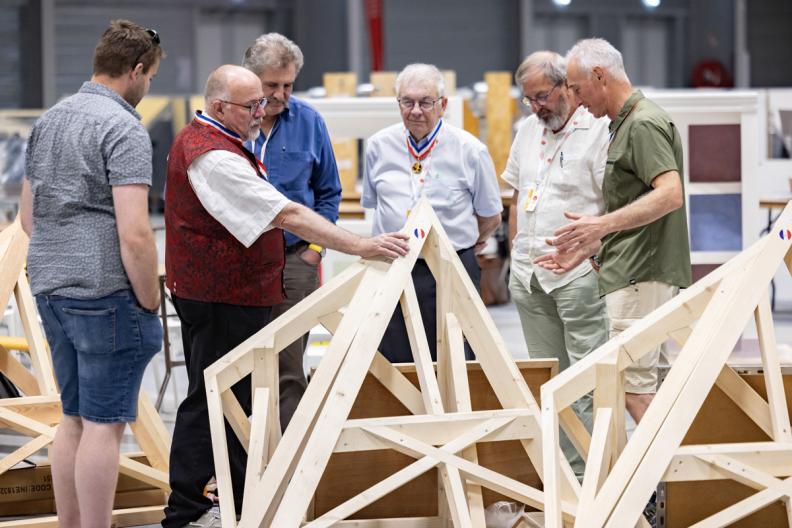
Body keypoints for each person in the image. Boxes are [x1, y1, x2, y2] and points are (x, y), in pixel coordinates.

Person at [162, 64, 409, 528]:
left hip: (232, 292)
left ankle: (237, 502)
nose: (263, 110)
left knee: (234, 400)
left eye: (265, 100)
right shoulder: (212, 156)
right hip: (220, 296)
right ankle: (187, 510)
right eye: (252, 104)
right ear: (219, 107)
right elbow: (287, 213)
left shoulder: (222, 139)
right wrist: (360, 245)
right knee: (212, 401)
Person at [20, 20, 164, 528]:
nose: (149, 88)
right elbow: (135, 233)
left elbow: (27, 219)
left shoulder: (50, 120)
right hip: (105, 295)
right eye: (151, 78)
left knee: (74, 418)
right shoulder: (123, 128)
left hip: (51, 289)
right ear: (136, 70)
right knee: (106, 425)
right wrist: (149, 299)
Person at [535, 38, 692, 424]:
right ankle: (669, 463)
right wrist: (593, 243)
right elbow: (633, 204)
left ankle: (666, 462)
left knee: (635, 391)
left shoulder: (642, 124)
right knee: (648, 386)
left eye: (576, 89)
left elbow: (670, 193)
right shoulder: (624, 124)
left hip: (640, 276)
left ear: (599, 76)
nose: (575, 101)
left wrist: (600, 225)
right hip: (635, 272)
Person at [503, 51, 609, 478]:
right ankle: (562, 473)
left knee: (585, 382)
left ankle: (590, 477)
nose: (536, 107)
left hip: (578, 277)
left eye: (542, 96)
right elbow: (517, 197)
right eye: (528, 99)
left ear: (567, 86)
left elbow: (612, 206)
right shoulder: (527, 130)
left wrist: (596, 257)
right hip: (529, 277)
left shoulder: (598, 130)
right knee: (549, 381)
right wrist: (516, 252)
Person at [362, 63, 503, 363]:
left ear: (443, 104)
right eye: (407, 102)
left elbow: (491, 216)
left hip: (451, 266)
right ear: (398, 103)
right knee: (395, 357)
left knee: (455, 357)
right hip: (393, 265)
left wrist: (468, 242)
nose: (415, 111)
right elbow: (375, 204)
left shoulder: (470, 150)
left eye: (425, 102)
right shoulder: (378, 146)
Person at [241, 33, 341, 431]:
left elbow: (329, 192)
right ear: (251, 79)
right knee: (237, 364)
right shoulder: (230, 124)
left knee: (289, 366)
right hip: (238, 264)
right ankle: (241, 455)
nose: (281, 94)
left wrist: (314, 249)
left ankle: (290, 455)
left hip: (295, 261)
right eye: (272, 85)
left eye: (288, 85)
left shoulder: (309, 122)